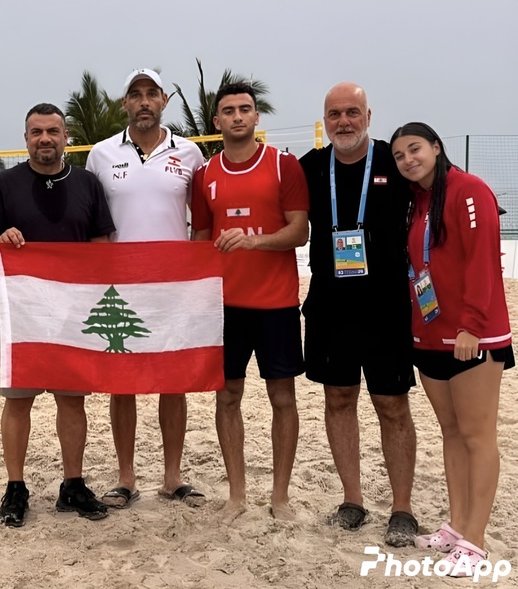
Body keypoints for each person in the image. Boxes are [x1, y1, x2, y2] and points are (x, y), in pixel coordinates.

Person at [0, 103, 115, 527]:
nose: (45, 139)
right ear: (26, 137)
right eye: (36, 132)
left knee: (72, 401)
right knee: (19, 402)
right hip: (22, 315)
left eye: (53, 131)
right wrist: (2, 237)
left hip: (74, 314)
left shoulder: (88, 183)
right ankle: (15, 487)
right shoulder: (3, 183)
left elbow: (102, 246)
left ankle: (72, 484)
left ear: (66, 136)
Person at [298, 82, 418, 547]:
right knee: (338, 400)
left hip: (388, 308)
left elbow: (438, 202)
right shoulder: (309, 168)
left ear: (369, 115)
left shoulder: (396, 162)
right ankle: (353, 500)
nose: (343, 122)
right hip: (330, 306)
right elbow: (284, 222)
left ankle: (402, 508)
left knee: (392, 405)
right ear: (325, 120)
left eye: (352, 112)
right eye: (334, 114)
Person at [391, 122, 513, 576]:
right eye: (401, 155)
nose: (408, 160)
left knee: (478, 436)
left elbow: (484, 262)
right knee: (451, 433)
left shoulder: (468, 190)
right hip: (429, 335)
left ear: (437, 147)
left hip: (472, 338)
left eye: (416, 149)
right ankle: (458, 527)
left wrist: (471, 327)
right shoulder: (418, 201)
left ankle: (476, 541)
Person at [85, 69, 205, 508]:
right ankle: (126, 477)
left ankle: (173, 477)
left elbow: (204, 221)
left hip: (172, 286)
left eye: (151, 93)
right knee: (123, 382)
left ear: (164, 101)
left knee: (173, 380)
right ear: (125, 104)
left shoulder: (190, 154)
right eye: (135, 94)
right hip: (120, 284)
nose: (143, 101)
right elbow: (90, 221)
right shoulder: (100, 154)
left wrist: (196, 274)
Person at [191, 82, 309, 522]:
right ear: (217, 121)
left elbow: (300, 231)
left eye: (245, 109)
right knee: (227, 398)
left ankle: (280, 496)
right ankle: (236, 495)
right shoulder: (205, 174)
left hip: (276, 303)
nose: (237, 116)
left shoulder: (283, 165)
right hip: (223, 305)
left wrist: (253, 243)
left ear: (257, 117)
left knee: (282, 397)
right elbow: (200, 239)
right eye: (228, 110)